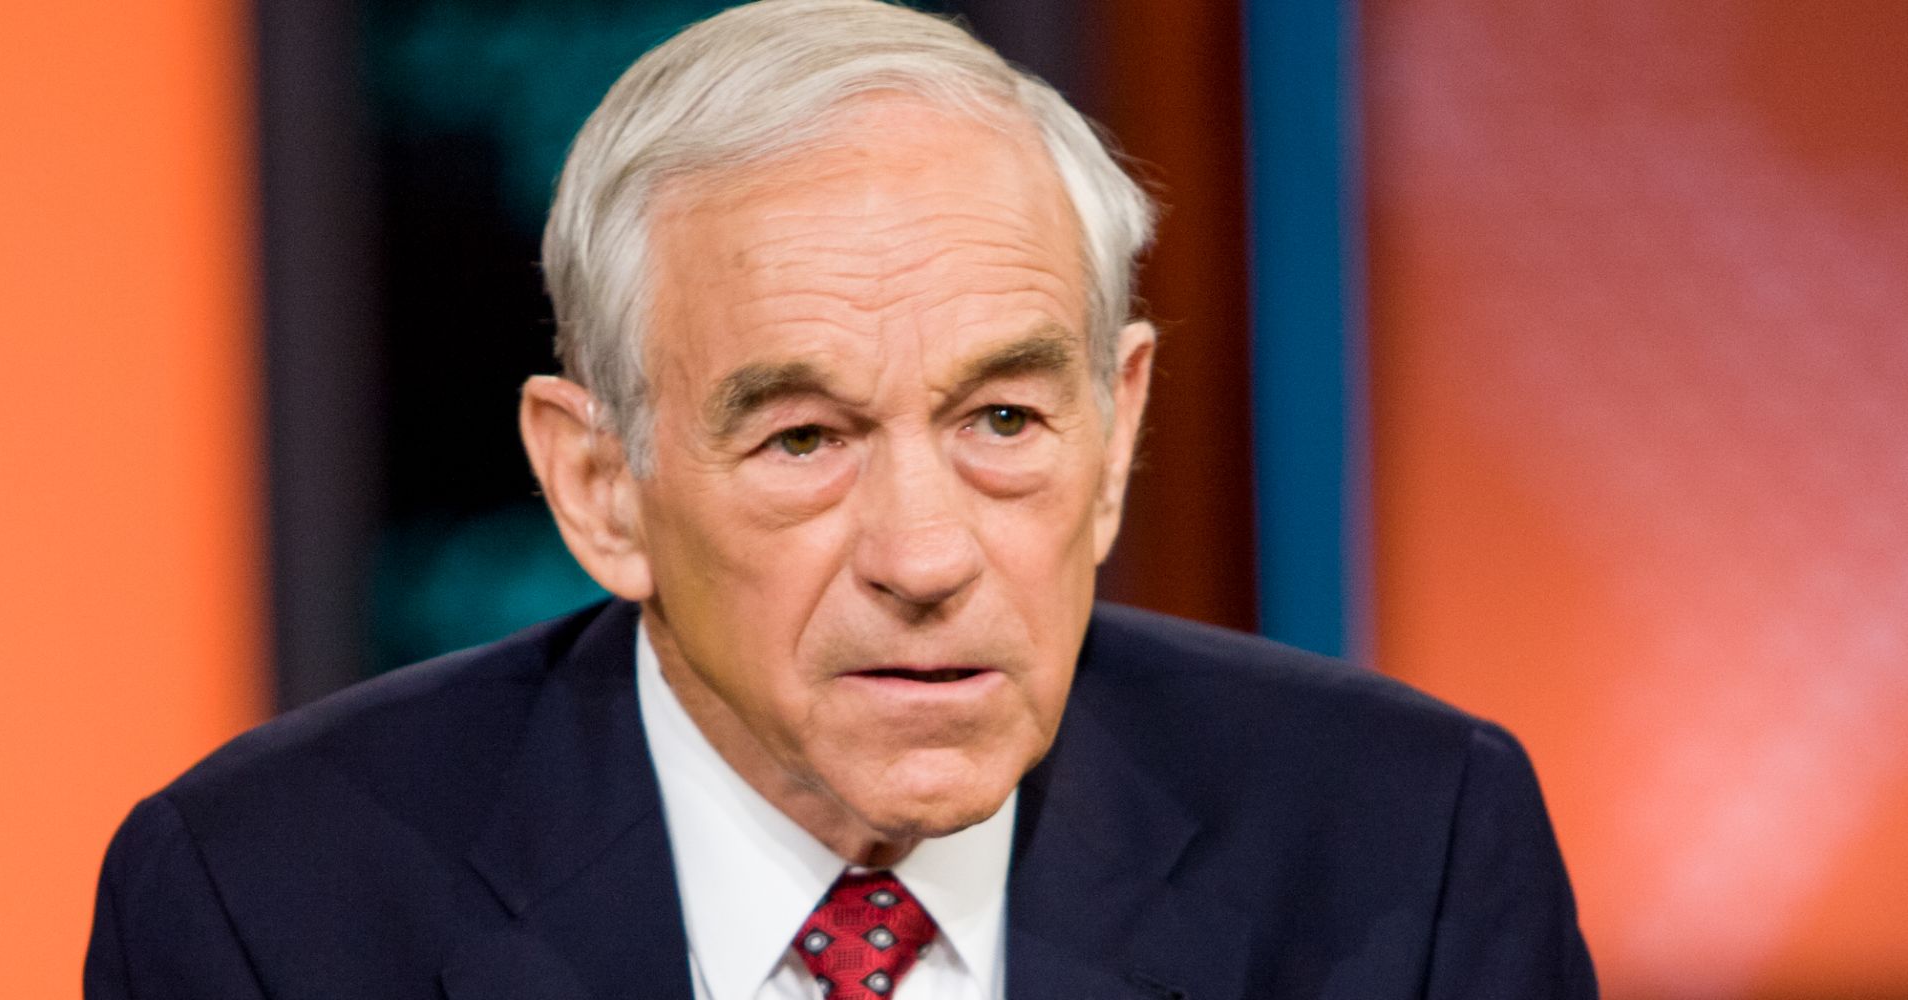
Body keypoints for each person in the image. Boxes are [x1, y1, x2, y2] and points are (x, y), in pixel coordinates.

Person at [85, 1, 1595, 997]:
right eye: (804, 440)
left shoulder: (1406, 850)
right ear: (600, 487)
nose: (925, 557)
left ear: (1118, 428)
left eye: (1003, 420)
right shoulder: (270, 904)